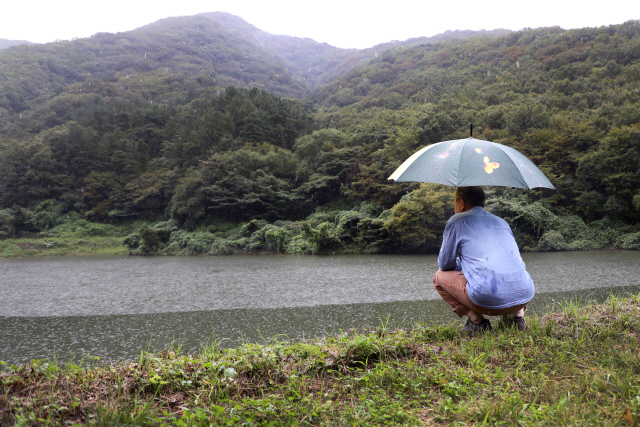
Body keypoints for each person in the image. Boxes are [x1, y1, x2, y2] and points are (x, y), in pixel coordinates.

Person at [433, 186, 534, 333]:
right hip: (524, 295)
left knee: (438, 277)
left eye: (454, 202)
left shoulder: (457, 221)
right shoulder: (501, 222)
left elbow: (445, 264)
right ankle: (516, 317)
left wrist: (463, 263)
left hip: (487, 302)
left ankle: (476, 321)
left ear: (461, 203)